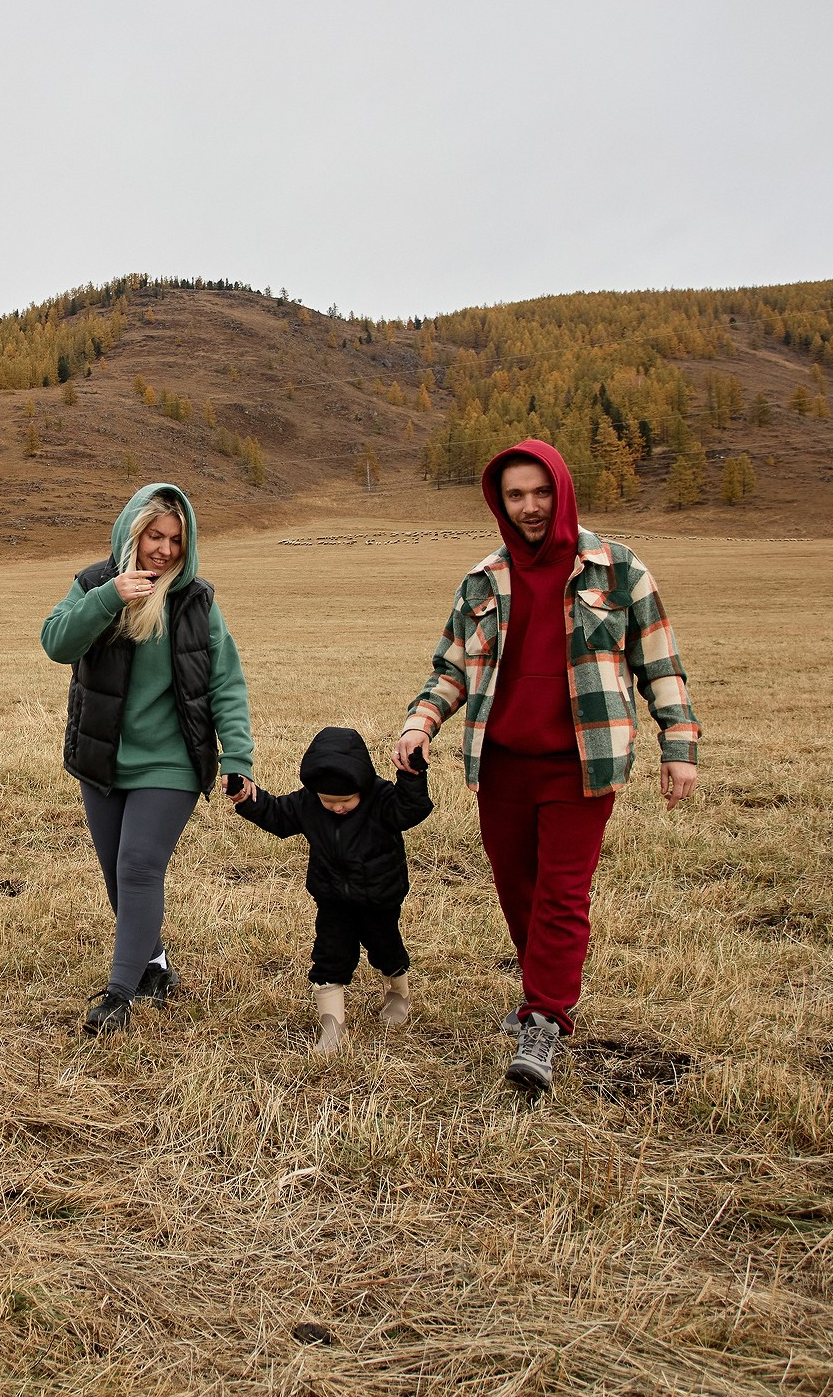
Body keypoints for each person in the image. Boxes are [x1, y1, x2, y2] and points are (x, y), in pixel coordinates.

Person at [393, 439, 699, 1093]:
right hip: (501, 764)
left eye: (540, 491)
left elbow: (660, 664)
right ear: (499, 503)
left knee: (562, 893)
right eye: (515, 495)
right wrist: (421, 722)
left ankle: (543, 1020)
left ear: (561, 490)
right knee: (519, 892)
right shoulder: (482, 580)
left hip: (581, 765)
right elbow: (450, 670)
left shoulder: (618, 570)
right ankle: (545, 992)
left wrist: (680, 745)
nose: (530, 507)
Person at [42, 484, 256, 1035]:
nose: (163, 550)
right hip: (104, 758)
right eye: (154, 536)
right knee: (119, 875)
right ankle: (155, 966)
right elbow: (57, 643)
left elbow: (225, 681)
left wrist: (239, 755)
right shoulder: (94, 584)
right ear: (131, 533)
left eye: (176, 541)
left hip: (172, 761)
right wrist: (111, 595)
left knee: (139, 865)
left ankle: (120, 994)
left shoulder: (196, 600)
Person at [233, 726, 432, 1056]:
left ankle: (397, 993)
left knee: (385, 949)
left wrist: (410, 777)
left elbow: (412, 810)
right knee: (329, 956)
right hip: (332, 899)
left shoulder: (381, 799)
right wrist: (246, 798)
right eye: (329, 802)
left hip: (378, 898)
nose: (337, 808)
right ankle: (332, 1025)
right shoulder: (308, 803)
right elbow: (277, 815)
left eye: (346, 802)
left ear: (362, 786)